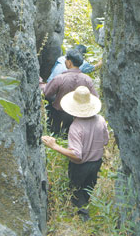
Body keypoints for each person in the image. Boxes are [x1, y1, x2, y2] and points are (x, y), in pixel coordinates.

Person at [42, 86, 109, 221]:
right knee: (87, 188)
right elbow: (106, 141)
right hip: (96, 163)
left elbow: (77, 156)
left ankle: (83, 219)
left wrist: (54, 146)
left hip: (80, 167)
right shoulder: (101, 120)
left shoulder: (76, 127)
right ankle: (85, 213)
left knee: (76, 191)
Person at [43, 49, 99, 134]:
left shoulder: (60, 78)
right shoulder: (87, 79)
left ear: (69, 62)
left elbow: (46, 93)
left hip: (59, 116)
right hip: (78, 117)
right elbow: (95, 98)